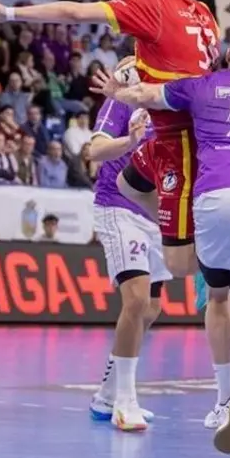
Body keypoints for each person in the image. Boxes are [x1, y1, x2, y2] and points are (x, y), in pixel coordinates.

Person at [0, 0, 217, 288]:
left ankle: (225, 254)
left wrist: (7, 12)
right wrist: (133, 92)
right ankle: (195, 231)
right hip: (180, 132)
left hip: (183, 140)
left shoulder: (152, 6)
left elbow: (72, 11)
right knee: (128, 183)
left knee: (180, 267)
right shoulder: (204, 13)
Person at [93, 26, 230, 455]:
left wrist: (118, 90)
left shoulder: (204, 86)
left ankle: (223, 400)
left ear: (226, 54)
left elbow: (149, 96)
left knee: (218, 300)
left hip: (218, 192)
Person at [84, 69, 169, 431]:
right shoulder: (121, 100)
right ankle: (124, 402)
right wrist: (129, 143)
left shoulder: (168, 102)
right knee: (134, 301)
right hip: (117, 204)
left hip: (153, 210)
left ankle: (105, 395)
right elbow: (95, 150)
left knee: (150, 308)